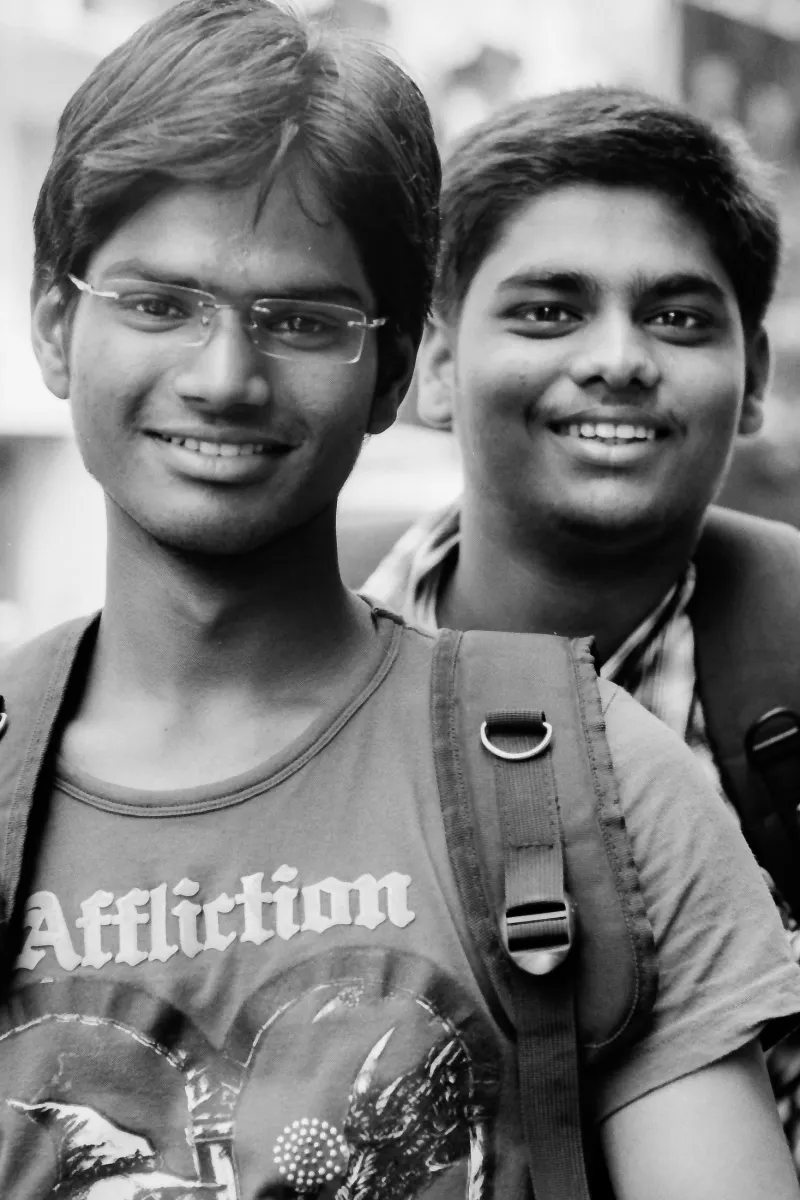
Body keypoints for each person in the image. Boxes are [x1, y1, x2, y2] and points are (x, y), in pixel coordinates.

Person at [2, 8, 800, 1194]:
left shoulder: (602, 788)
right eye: (160, 302)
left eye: (301, 319)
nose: (224, 377)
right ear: (58, 326)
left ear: (384, 371)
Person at [362, 87, 800, 1169]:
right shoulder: (297, 702)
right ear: (432, 363)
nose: (617, 357)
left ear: (752, 381)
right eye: (547, 311)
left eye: (679, 317)